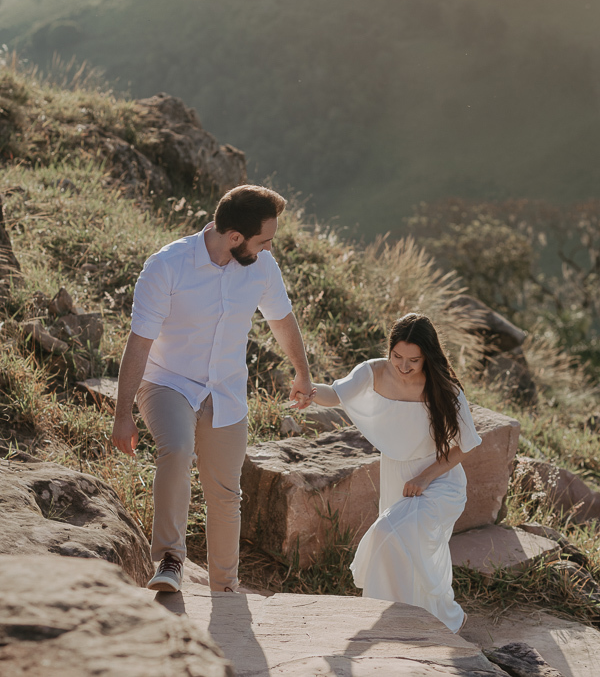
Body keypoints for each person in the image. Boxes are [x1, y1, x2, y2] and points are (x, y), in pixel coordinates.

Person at [112, 184, 313, 593]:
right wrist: (122, 413)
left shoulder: (261, 266)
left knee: (225, 492)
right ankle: (169, 560)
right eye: (264, 240)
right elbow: (139, 343)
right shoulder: (167, 266)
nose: (269, 248)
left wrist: (302, 373)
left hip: (225, 390)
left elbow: (282, 319)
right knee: (177, 449)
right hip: (167, 381)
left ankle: (225, 585)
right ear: (235, 238)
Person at [298, 312, 481, 632]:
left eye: (414, 359)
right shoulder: (373, 371)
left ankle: (437, 617)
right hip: (397, 477)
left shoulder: (445, 389)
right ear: (389, 349)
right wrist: (308, 391)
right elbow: (335, 395)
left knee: (388, 534)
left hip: (438, 481)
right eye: (397, 356)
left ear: (428, 356)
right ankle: (410, 620)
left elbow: (466, 445)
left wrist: (425, 477)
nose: (404, 366)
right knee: (406, 554)